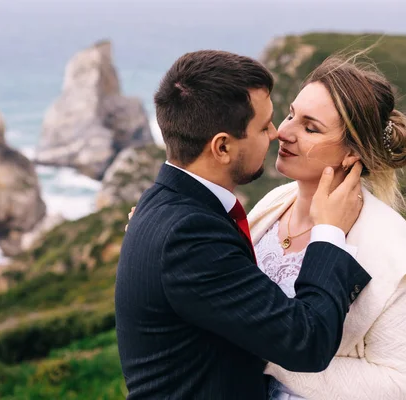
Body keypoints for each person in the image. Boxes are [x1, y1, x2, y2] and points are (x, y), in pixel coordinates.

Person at [115, 50, 371, 400]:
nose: (277, 133)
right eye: (264, 126)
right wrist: (328, 232)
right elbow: (307, 342)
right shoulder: (187, 236)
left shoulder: (164, 208)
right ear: (221, 147)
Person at [244, 55, 406, 399]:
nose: (282, 132)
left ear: (352, 153)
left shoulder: (396, 254)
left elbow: (399, 384)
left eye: (310, 128)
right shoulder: (274, 204)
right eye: (291, 114)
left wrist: (264, 352)